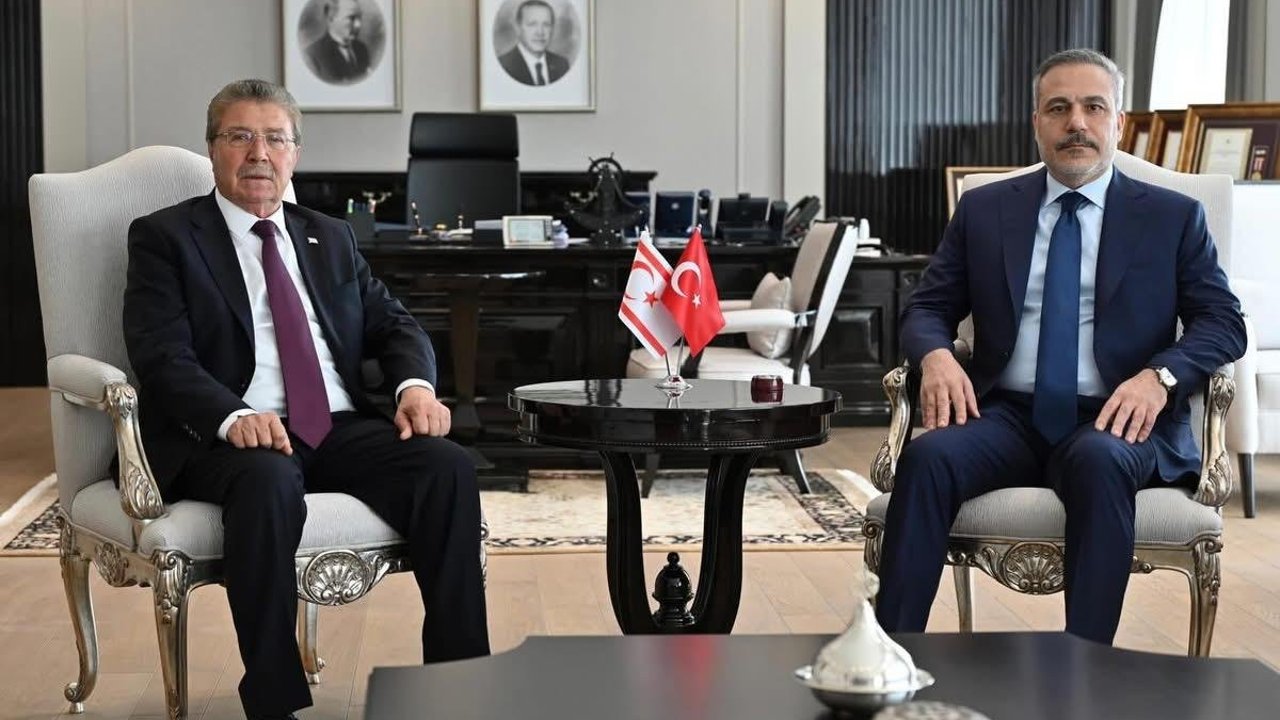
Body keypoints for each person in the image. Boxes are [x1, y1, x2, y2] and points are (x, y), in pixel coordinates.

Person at [123, 79, 489, 720]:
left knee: (447, 467)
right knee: (266, 482)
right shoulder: (166, 237)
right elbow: (160, 356)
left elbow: (394, 324)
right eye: (240, 136)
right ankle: (273, 701)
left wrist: (415, 388)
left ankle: (458, 686)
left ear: (295, 153)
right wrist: (232, 416)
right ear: (212, 148)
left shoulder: (329, 235)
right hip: (227, 433)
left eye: (275, 138)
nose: (258, 153)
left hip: (335, 425)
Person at [874, 49, 1246, 645]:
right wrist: (937, 356)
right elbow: (927, 307)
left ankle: (1084, 669)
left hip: (1117, 419)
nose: (1076, 122)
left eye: (1093, 107)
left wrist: (1161, 377)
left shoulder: (1173, 217)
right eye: (1059, 108)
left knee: (1099, 462)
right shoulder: (986, 209)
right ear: (1037, 123)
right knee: (927, 459)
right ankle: (885, 658)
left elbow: (1223, 322)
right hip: (1007, 416)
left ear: (1117, 122)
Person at [498, 0, 570, 86]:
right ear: (518, 28)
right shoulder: (504, 66)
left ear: (552, 29)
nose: (540, 32)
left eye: (546, 24)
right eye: (532, 24)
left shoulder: (562, 65)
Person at [304, 0, 371, 85]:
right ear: (331, 19)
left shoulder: (362, 49)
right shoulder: (312, 55)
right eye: (351, 18)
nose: (358, 25)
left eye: (359, 18)